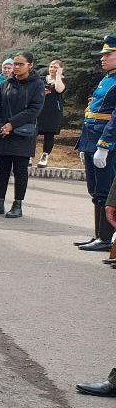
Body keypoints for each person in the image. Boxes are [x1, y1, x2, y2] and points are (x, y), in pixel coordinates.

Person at [0, 51, 44, 218]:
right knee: (1, 170)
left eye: (20, 64)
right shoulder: (6, 83)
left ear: (30, 65)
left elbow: (34, 109)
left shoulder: (37, 84)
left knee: (20, 171)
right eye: (14, 64)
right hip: (3, 133)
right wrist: (0, 126)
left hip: (22, 135)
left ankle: (17, 205)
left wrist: (11, 124)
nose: (16, 67)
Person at [77, 37, 116, 252]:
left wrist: (104, 145)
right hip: (92, 141)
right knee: (95, 190)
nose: (103, 58)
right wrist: (84, 145)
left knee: (106, 190)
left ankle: (106, 238)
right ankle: (99, 235)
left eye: (107, 54)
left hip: (107, 144)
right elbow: (91, 113)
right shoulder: (107, 79)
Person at [37, 59, 66, 166]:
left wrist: (58, 75)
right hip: (40, 109)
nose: (52, 69)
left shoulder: (62, 80)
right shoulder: (41, 79)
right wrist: (42, 93)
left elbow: (59, 90)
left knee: (49, 135)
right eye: (51, 67)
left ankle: (45, 156)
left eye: (55, 67)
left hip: (53, 111)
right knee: (33, 132)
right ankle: (29, 156)